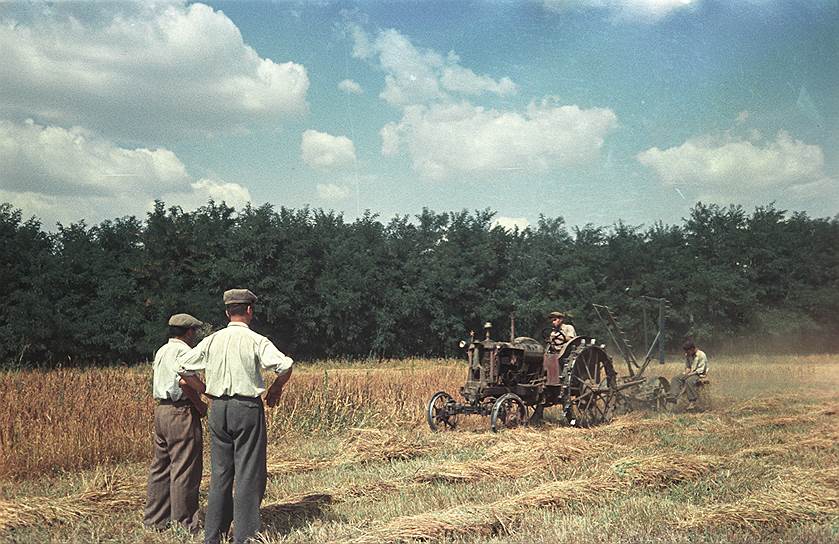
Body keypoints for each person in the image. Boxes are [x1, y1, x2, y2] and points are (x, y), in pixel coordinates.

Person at [178, 289, 293, 544]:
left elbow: (183, 367)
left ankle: (213, 536)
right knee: (248, 473)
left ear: (227, 312)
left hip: (219, 409)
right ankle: (245, 537)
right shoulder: (255, 340)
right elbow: (285, 365)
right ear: (250, 310)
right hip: (246, 408)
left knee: (220, 474)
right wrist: (276, 388)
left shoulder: (212, 340)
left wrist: (204, 390)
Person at [144, 313, 207, 534]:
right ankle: (185, 524)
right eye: (195, 331)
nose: (196, 335)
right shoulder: (184, 351)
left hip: (161, 409)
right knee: (185, 468)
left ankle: (155, 520)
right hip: (180, 411)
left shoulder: (162, 350)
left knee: (160, 467)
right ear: (189, 332)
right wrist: (201, 400)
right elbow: (184, 380)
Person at [669, 339, 708, 410]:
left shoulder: (701, 355)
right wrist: (685, 373)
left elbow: (700, 370)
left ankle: (693, 401)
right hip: (691, 372)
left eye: (688, 351)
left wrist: (689, 375)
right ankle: (673, 396)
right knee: (676, 378)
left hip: (699, 374)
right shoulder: (688, 355)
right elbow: (688, 367)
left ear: (693, 349)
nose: (686, 353)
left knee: (689, 381)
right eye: (686, 351)